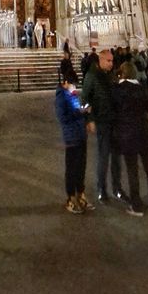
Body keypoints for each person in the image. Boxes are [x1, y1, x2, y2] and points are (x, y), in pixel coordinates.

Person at [112, 62, 148, 218]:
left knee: (132, 171)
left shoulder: (118, 90)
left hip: (128, 135)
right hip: (145, 133)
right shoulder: (141, 88)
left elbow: (114, 110)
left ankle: (137, 206)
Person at [82, 47, 128, 205]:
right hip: (102, 121)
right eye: (108, 61)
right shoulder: (91, 76)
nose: (111, 63)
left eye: (112, 61)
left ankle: (117, 188)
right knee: (103, 157)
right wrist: (89, 119)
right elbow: (84, 99)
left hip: (115, 121)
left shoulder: (112, 75)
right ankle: (102, 189)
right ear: (100, 60)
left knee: (116, 158)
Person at [55, 77, 94, 214]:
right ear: (65, 82)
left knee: (81, 167)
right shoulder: (60, 97)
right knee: (72, 168)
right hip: (71, 137)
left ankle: (81, 194)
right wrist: (80, 112)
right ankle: (70, 198)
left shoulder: (73, 95)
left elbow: (77, 110)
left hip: (81, 135)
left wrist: (84, 112)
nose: (74, 87)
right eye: (72, 84)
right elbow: (63, 117)